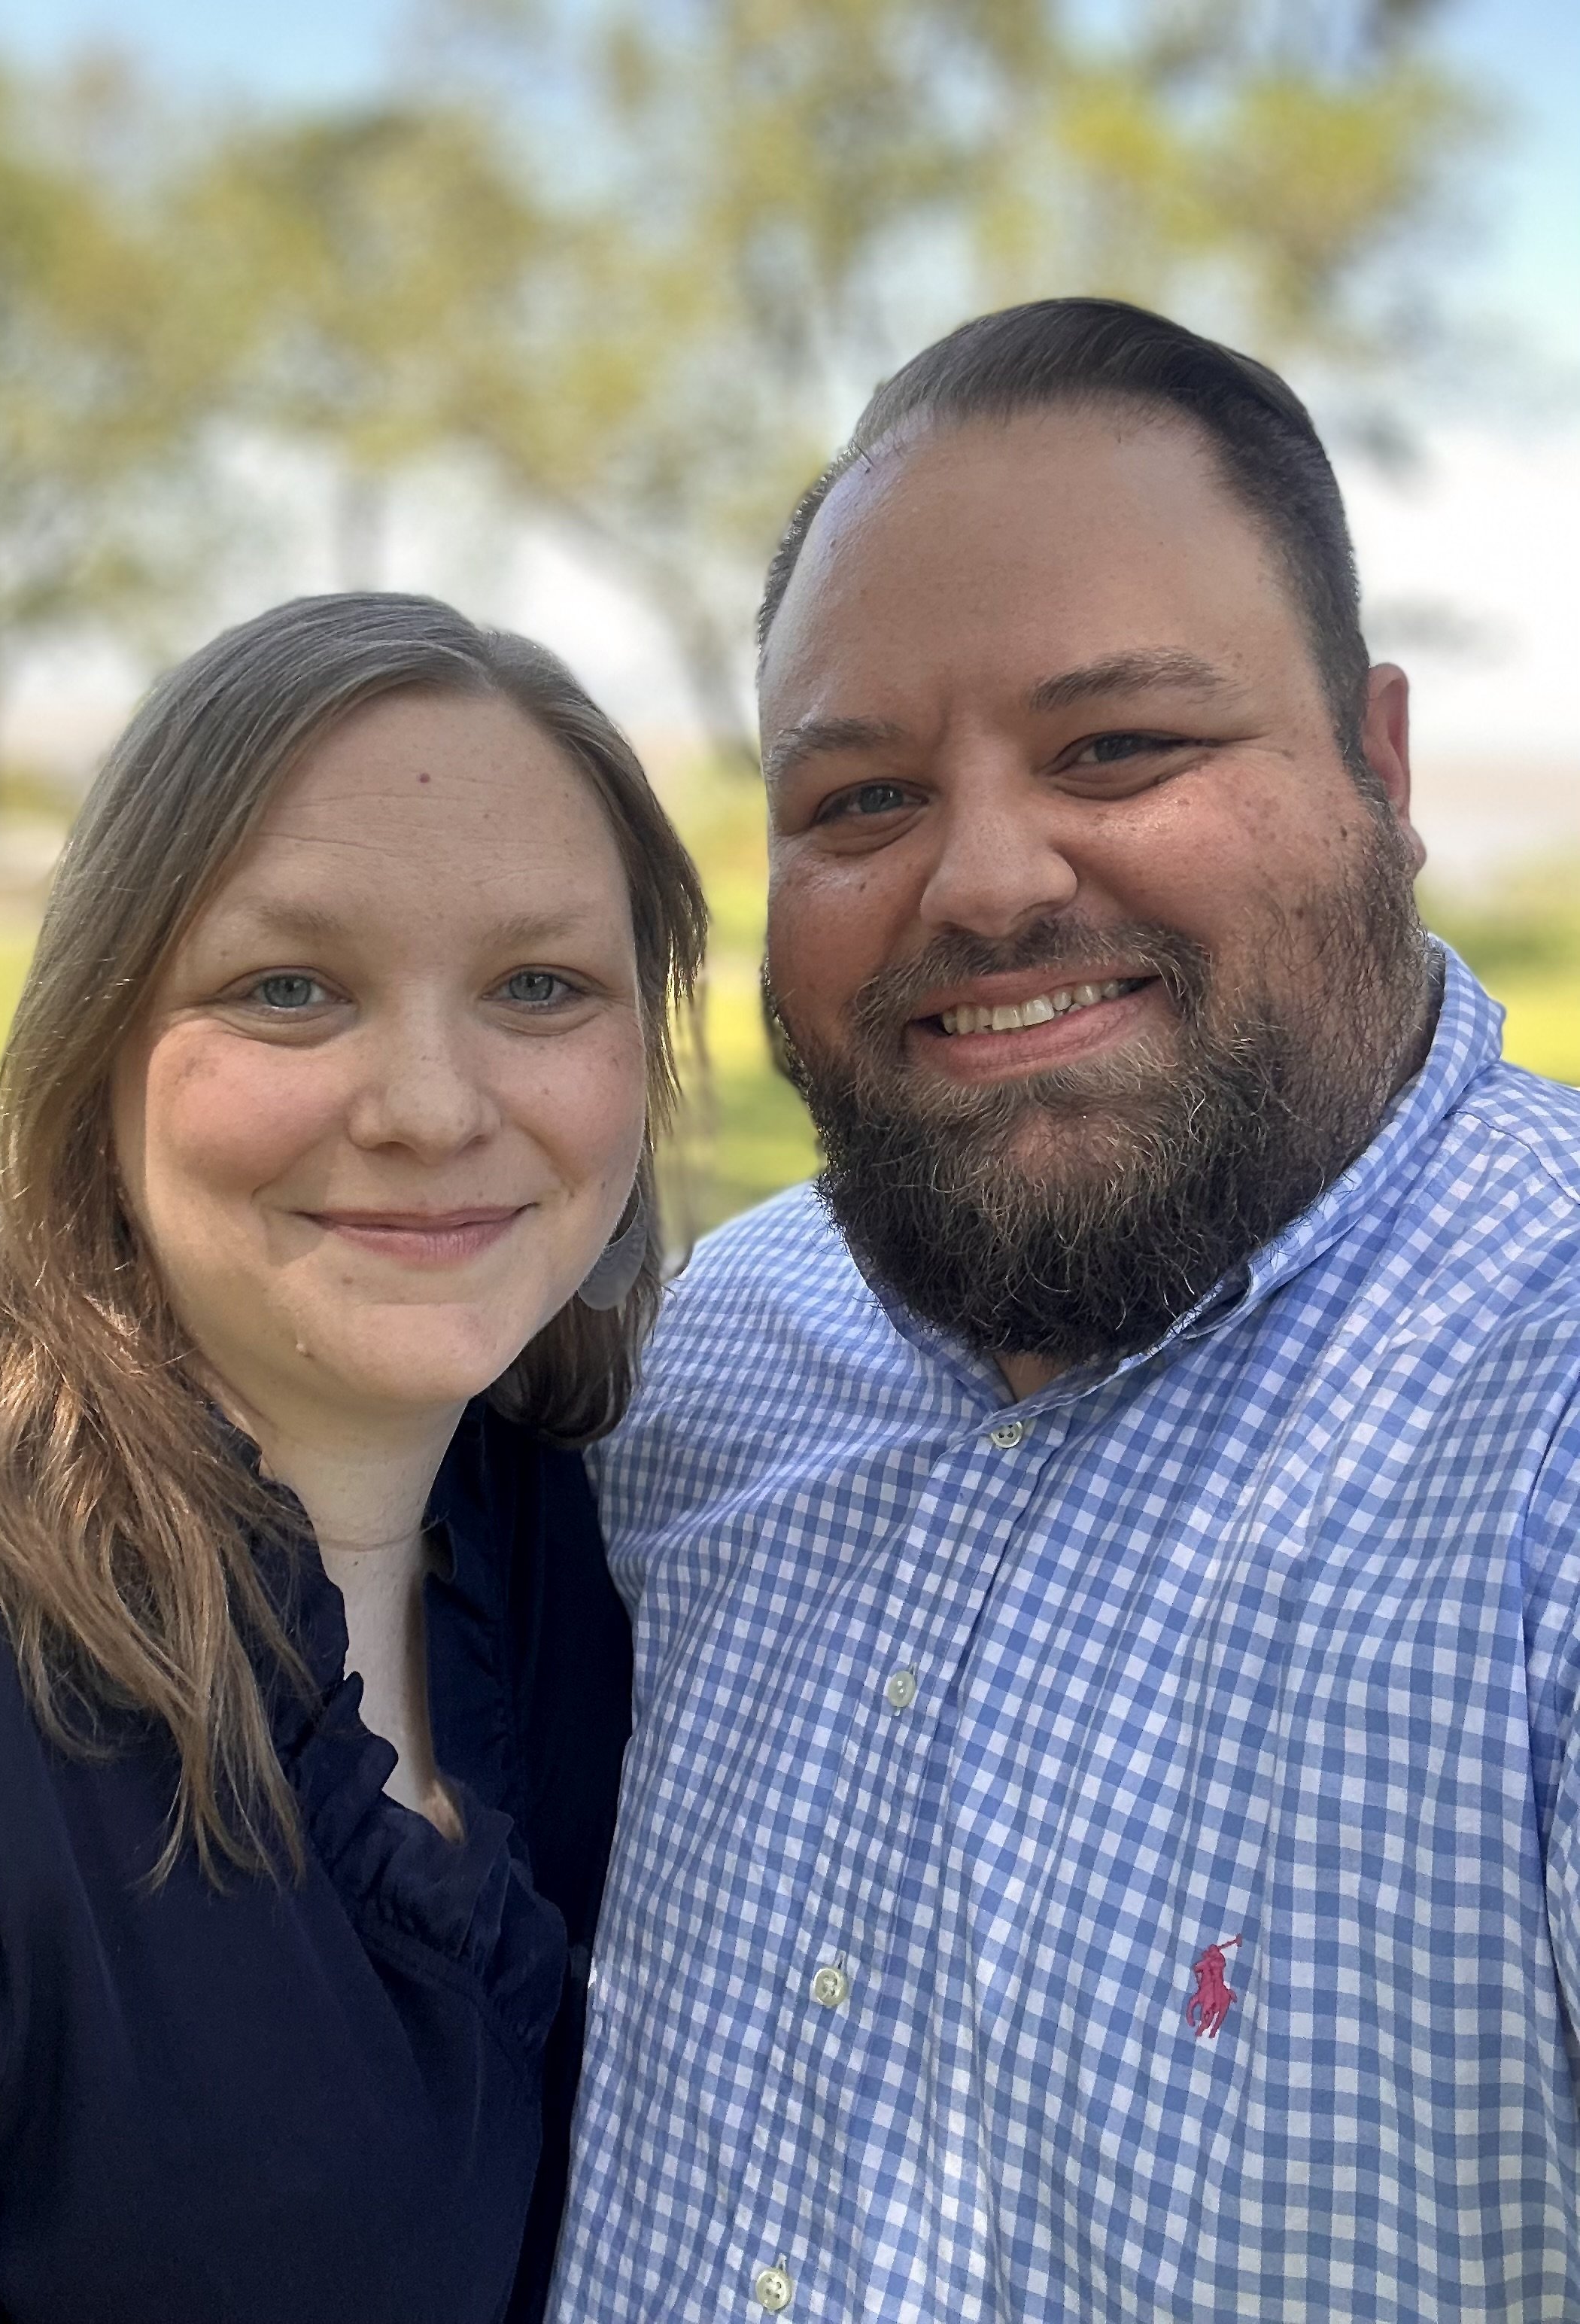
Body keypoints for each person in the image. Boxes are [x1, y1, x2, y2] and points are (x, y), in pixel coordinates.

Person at [549, 300, 1580, 2322]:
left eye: (1118, 747)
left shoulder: (1532, 1431)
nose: (986, 885)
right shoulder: (710, 1353)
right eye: (856, 802)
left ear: (1378, 765)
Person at [0, 592, 704, 2324]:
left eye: (540, 984)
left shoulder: (576, 1537)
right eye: (290, 986)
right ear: (95, 1044)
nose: (434, 1106)